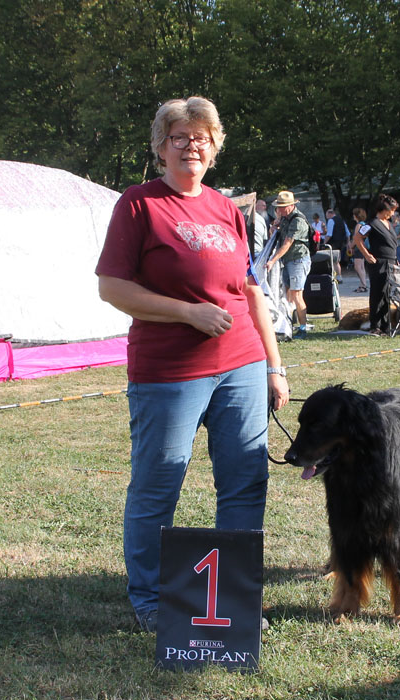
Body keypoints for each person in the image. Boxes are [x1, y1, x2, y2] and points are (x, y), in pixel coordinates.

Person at [95, 96, 289, 634]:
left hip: (243, 364)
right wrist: (186, 313)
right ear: (161, 147)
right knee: (158, 484)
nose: (191, 145)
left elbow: (252, 291)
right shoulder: (139, 204)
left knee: (246, 484)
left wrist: (274, 365)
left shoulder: (228, 209)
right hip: (169, 372)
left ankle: (235, 597)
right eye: (179, 137)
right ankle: (152, 601)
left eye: (201, 137)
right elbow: (112, 286)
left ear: (214, 147)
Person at [265, 190, 313, 338]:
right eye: (278, 206)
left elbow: (287, 244)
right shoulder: (285, 218)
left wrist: (272, 260)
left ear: (291, 205)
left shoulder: (298, 221)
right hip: (288, 261)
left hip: (298, 260)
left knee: (297, 295)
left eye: (281, 206)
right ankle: (290, 324)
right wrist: (275, 224)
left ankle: (303, 328)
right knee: (288, 295)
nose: (278, 209)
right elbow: (275, 234)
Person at [354, 193, 399, 335]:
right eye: (392, 210)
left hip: (391, 262)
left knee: (387, 294)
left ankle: (386, 324)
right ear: (385, 209)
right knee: (377, 294)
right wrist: (367, 255)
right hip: (378, 262)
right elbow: (357, 238)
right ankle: (375, 325)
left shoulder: (389, 224)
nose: (393, 213)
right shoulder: (372, 224)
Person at [347, 207, 370, 293]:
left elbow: (356, 239)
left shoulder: (358, 225)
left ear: (356, 216)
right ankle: (362, 284)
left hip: (358, 248)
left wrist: (351, 247)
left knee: (357, 267)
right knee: (362, 267)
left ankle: (363, 285)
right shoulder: (364, 224)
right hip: (364, 248)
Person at [324, 208, 348, 280]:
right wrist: (348, 242)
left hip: (333, 243)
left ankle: (334, 276)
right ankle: (339, 276)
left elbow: (329, 234)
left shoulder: (331, 221)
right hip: (340, 243)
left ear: (330, 214)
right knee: (337, 260)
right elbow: (348, 233)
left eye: (327, 215)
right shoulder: (342, 220)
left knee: (333, 260)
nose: (326, 217)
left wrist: (323, 243)